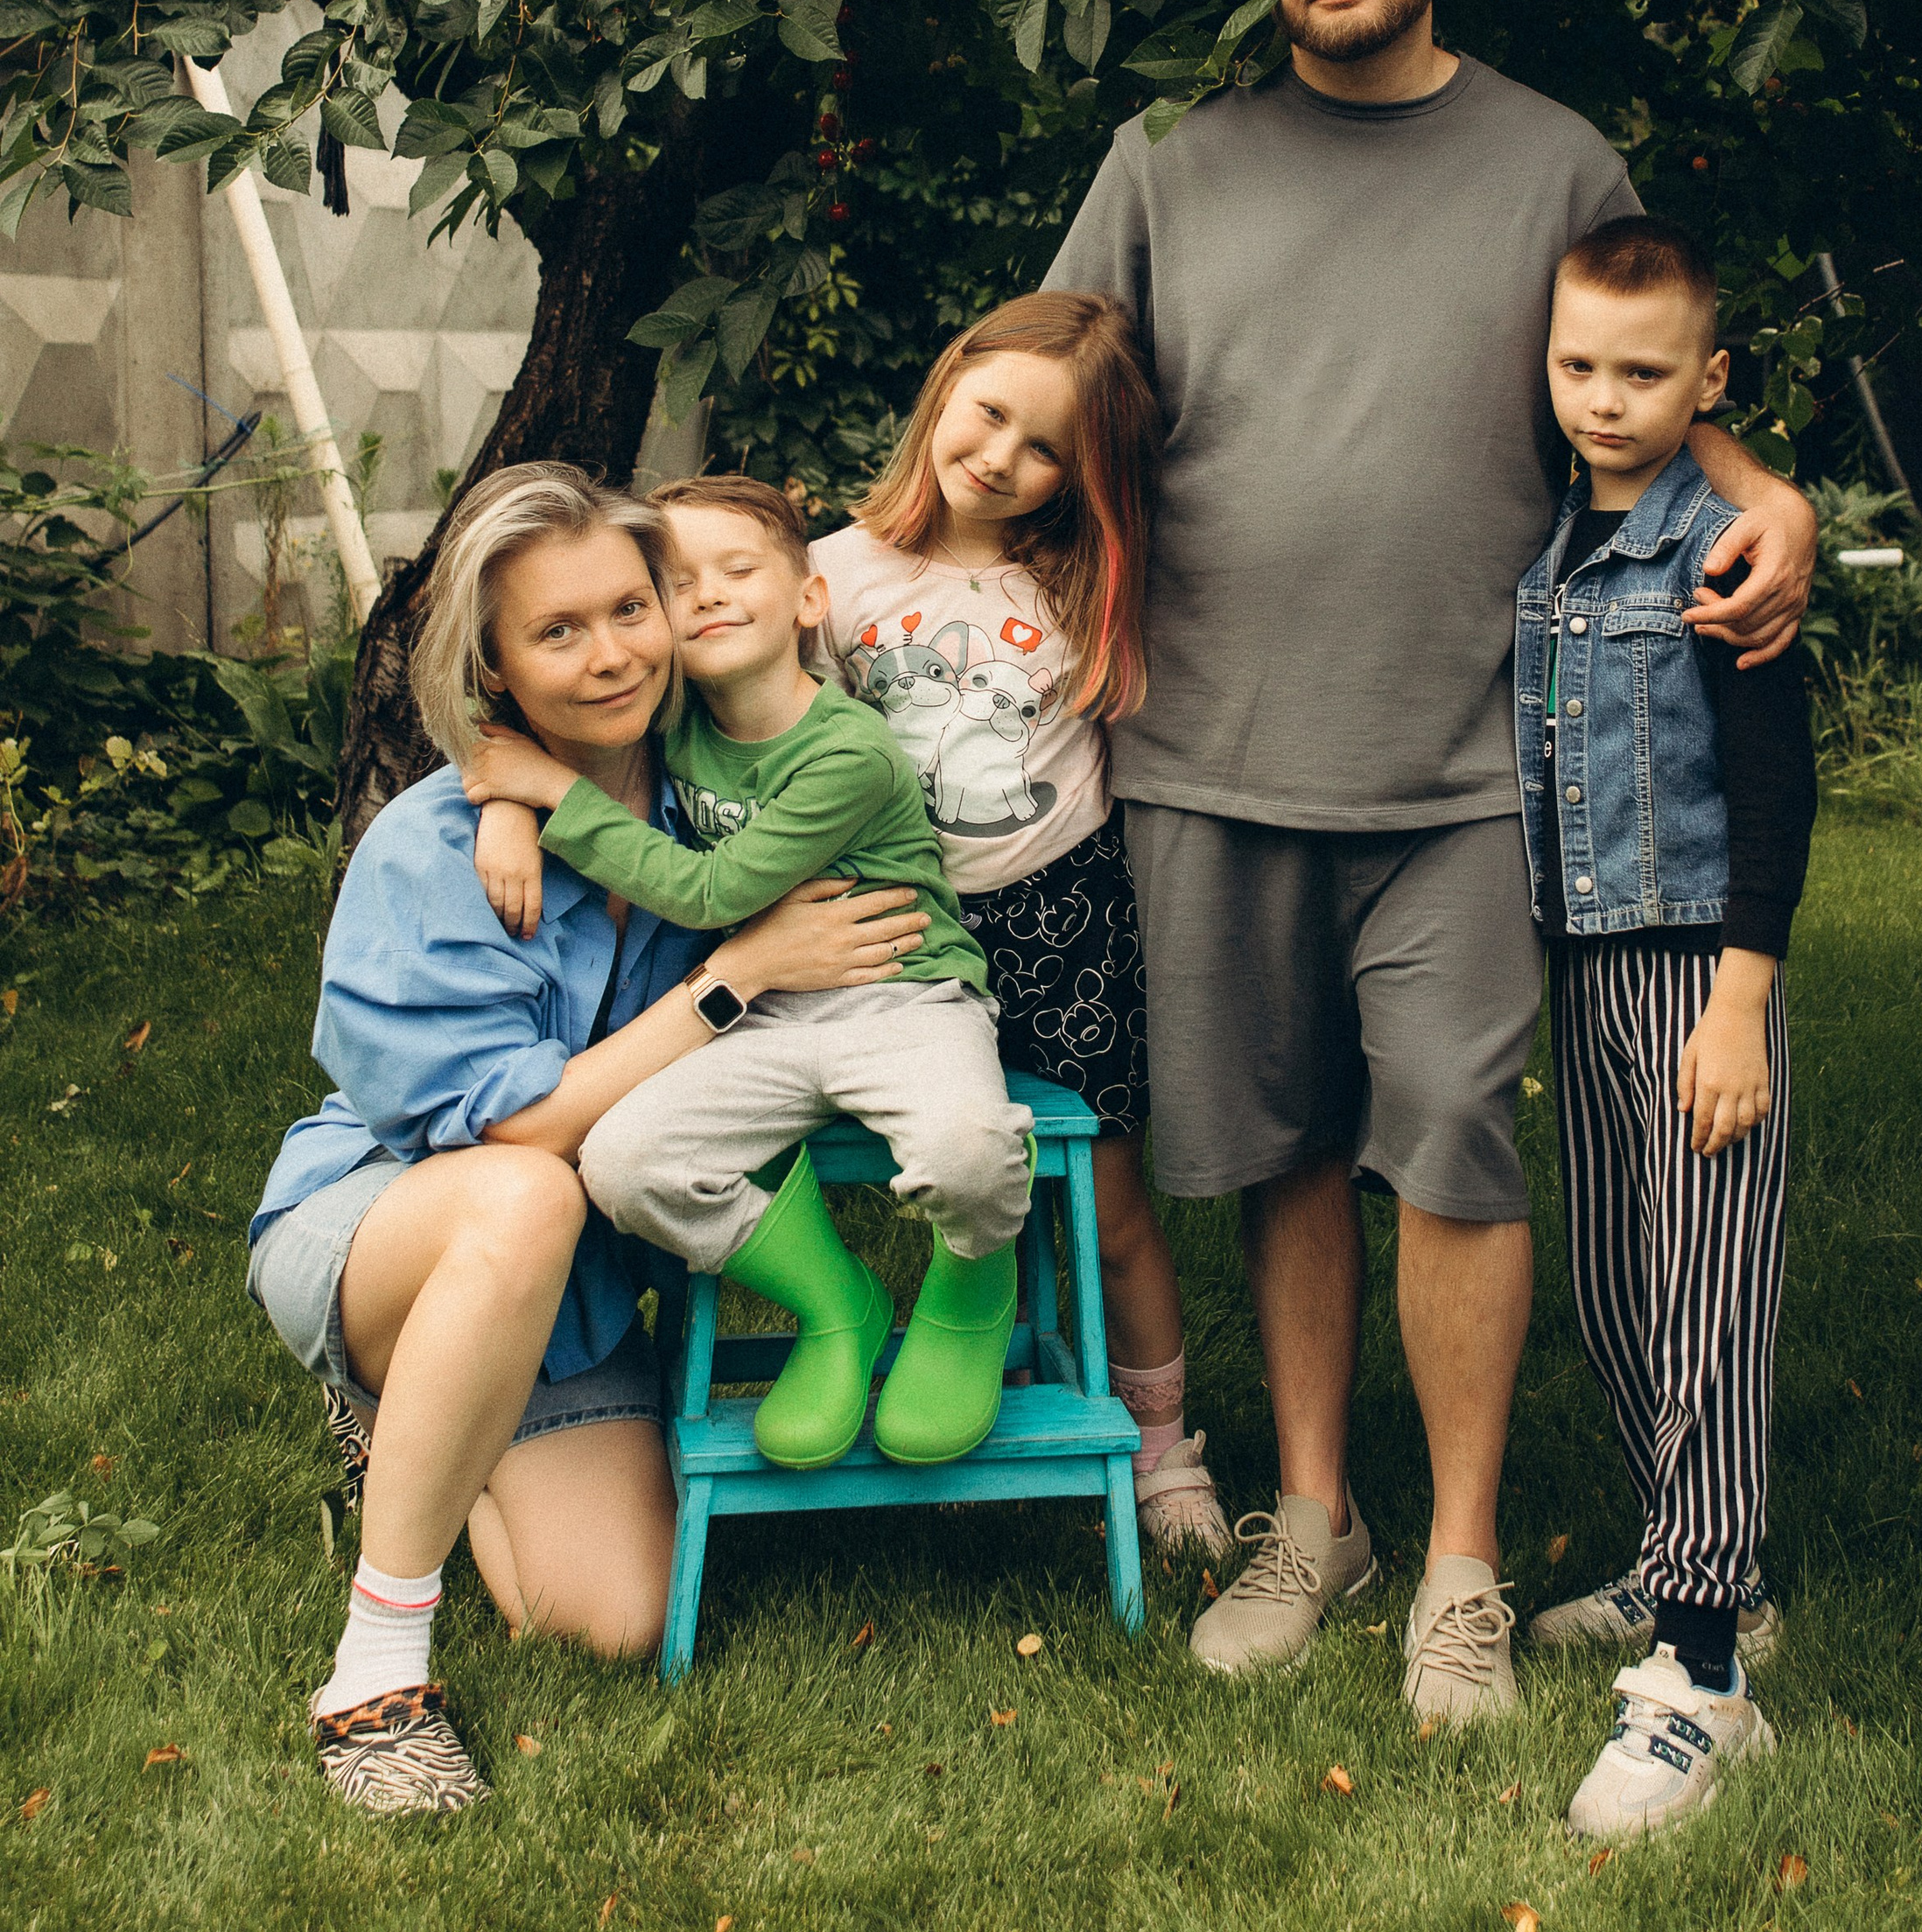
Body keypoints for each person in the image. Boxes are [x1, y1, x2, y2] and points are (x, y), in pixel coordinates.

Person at [1045, 0, 1818, 1724]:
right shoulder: (1166, 167)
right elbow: (1028, 412)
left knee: (1454, 1145)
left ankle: (1457, 1561)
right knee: (1279, 1149)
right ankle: (1319, 1520)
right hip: (1209, 755)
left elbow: (1641, 382)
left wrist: (1762, 492)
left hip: (1479, 765)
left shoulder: (1550, 162)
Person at [246, 464, 929, 1818]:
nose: (613, 652)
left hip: (572, 1287)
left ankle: (409, 1425)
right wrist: (731, 977)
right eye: (559, 631)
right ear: (493, 668)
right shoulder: (435, 849)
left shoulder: (714, 812)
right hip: (398, 1219)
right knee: (521, 1198)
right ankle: (376, 1674)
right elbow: (522, 1127)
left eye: (631, 607)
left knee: (608, 1619)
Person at [466, 480, 1035, 1474]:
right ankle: (833, 1303)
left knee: (965, 1153)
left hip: (902, 995)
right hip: (763, 1014)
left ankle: (973, 1285)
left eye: (738, 571)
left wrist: (549, 797)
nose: (708, 597)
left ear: (809, 600)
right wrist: (507, 808)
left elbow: (710, 888)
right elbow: (511, 734)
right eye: (675, 585)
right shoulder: (673, 717)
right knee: (625, 1165)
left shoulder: (848, 752)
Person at [810, 289, 1233, 1563]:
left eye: (1041, 447)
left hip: (1059, 914)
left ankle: (1163, 1449)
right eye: (989, 413)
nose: (999, 457)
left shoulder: (1086, 581)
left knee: (1103, 1198)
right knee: (930, 1174)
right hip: (891, 918)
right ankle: (917, 1359)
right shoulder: (825, 578)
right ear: (947, 387)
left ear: (1077, 475)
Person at [1512, 220, 1815, 1838]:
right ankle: (1695, 1570)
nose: (1605, 400)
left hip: (1702, 972)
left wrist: (1744, 1002)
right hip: (1586, 967)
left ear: (1708, 383)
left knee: (1705, 1297)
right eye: (1578, 366)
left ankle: (1702, 1680)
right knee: (1618, 1290)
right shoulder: (1555, 540)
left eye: (1644, 374)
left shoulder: (1723, 551)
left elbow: (1774, 786)